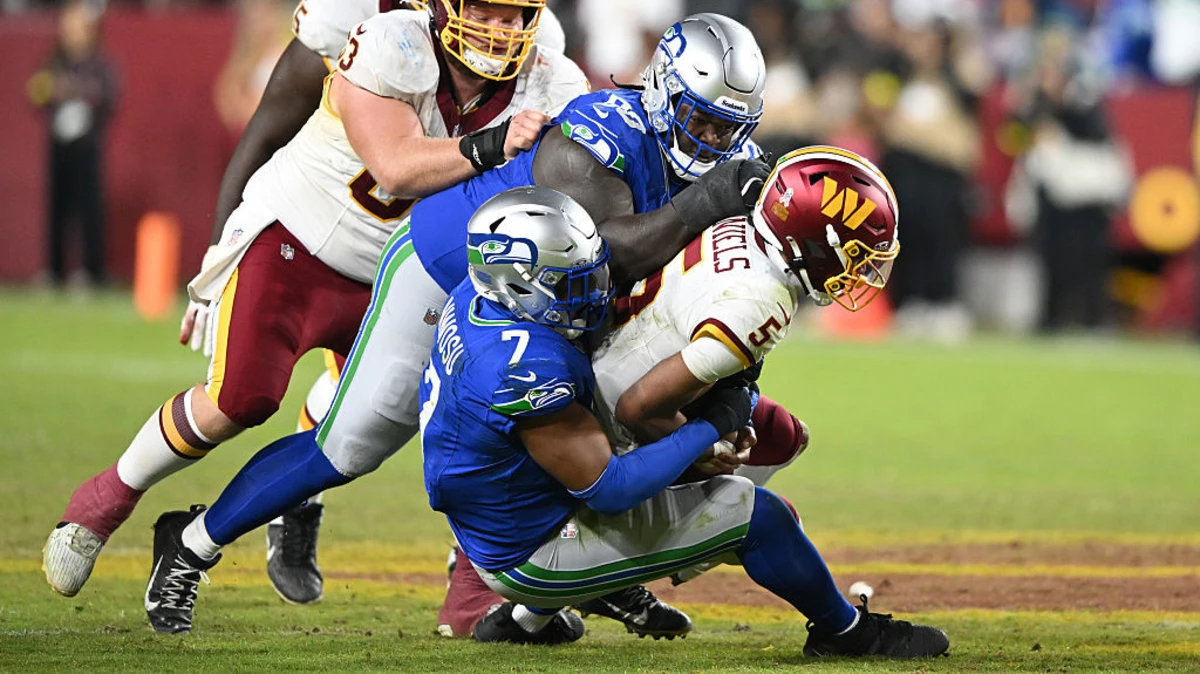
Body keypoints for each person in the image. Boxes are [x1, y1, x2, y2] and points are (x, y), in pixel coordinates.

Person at [141, 12, 772, 637]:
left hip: (553, 301)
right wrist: (708, 201)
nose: (712, 138)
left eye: (728, 126)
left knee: (597, 427)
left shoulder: (732, 161)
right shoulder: (599, 130)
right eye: (698, 118)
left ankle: (590, 580)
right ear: (662, 89)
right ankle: (191, 543)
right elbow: (608, 252)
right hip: (450, 269)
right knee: (350, 447)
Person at [44, 0, 587, 607]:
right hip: (300, 237)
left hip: (403, 273)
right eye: (485, 13)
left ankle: (455, 581)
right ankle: (104, 500)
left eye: (514, 17)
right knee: (239, 399)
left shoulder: (550, 73)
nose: (500, 30)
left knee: (437, 417)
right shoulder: (384, 35)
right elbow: (380, 161)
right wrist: (219, 249)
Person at [424, 184, 949, 658]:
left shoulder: (479, 295)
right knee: (761, 516)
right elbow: (609, 489)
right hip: (529, 551)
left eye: (590, 276)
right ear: (516, 283)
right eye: (568, 285)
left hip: (505, 508)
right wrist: (712, 424)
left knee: (755, 469)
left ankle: (524, 623)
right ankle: (847, 634)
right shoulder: (523, 369)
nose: (593, 295)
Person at [27, 0, 118, 290]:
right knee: (57, 209)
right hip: (59, 145)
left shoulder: (99, 63)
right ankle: (54, 270)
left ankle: (91, 270)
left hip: (86, 145)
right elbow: (36, 92)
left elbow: (108, 96)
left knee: (88, 209)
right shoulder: (54, 62)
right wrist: (49, 91)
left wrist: (75, 90)